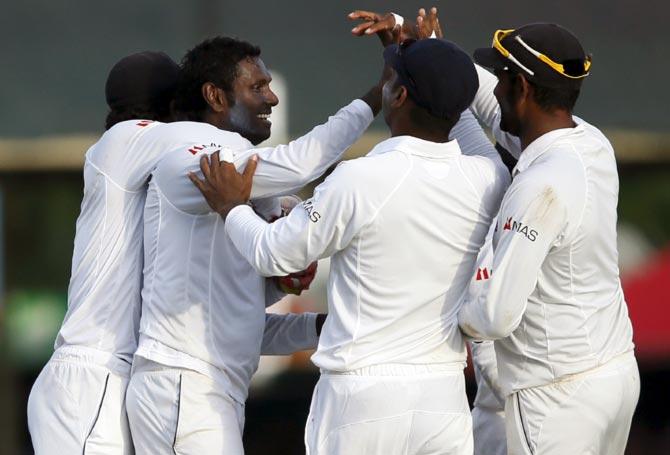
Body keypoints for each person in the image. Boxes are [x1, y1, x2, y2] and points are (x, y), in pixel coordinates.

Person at [190, 36, 510, 454]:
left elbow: (273, 252)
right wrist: (439, 62)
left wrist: (232, 208)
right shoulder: (489, 177)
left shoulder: (359, 178)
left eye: (389, 80)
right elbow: (467, 128)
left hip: (362, 395)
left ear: (399, 96)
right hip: (443, 398)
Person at [124, 36, 384, 454]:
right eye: (257, 87)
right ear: (215, 96)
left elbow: (246, 328)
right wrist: (376, 97)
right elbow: (302, 162)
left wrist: (320, 320)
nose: (273, 97)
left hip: (203, 387)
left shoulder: (242, 186)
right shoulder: (193, 159)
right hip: (184, 385)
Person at [457, 23, 640, 454]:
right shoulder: (591, 143)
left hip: (557, 397)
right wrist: (432, 50)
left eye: (502, 79)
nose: (496, 90)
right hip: (613, 373)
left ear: (521, 86)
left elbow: (494, 318)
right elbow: (492, 108)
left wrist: (440, 307)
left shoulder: (539, 185)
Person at [27, 51, 180, 455]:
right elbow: (227, 149)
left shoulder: (142, 162)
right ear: (172, 105)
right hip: (91, 376)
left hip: (104, 380)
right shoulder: (128, 138)